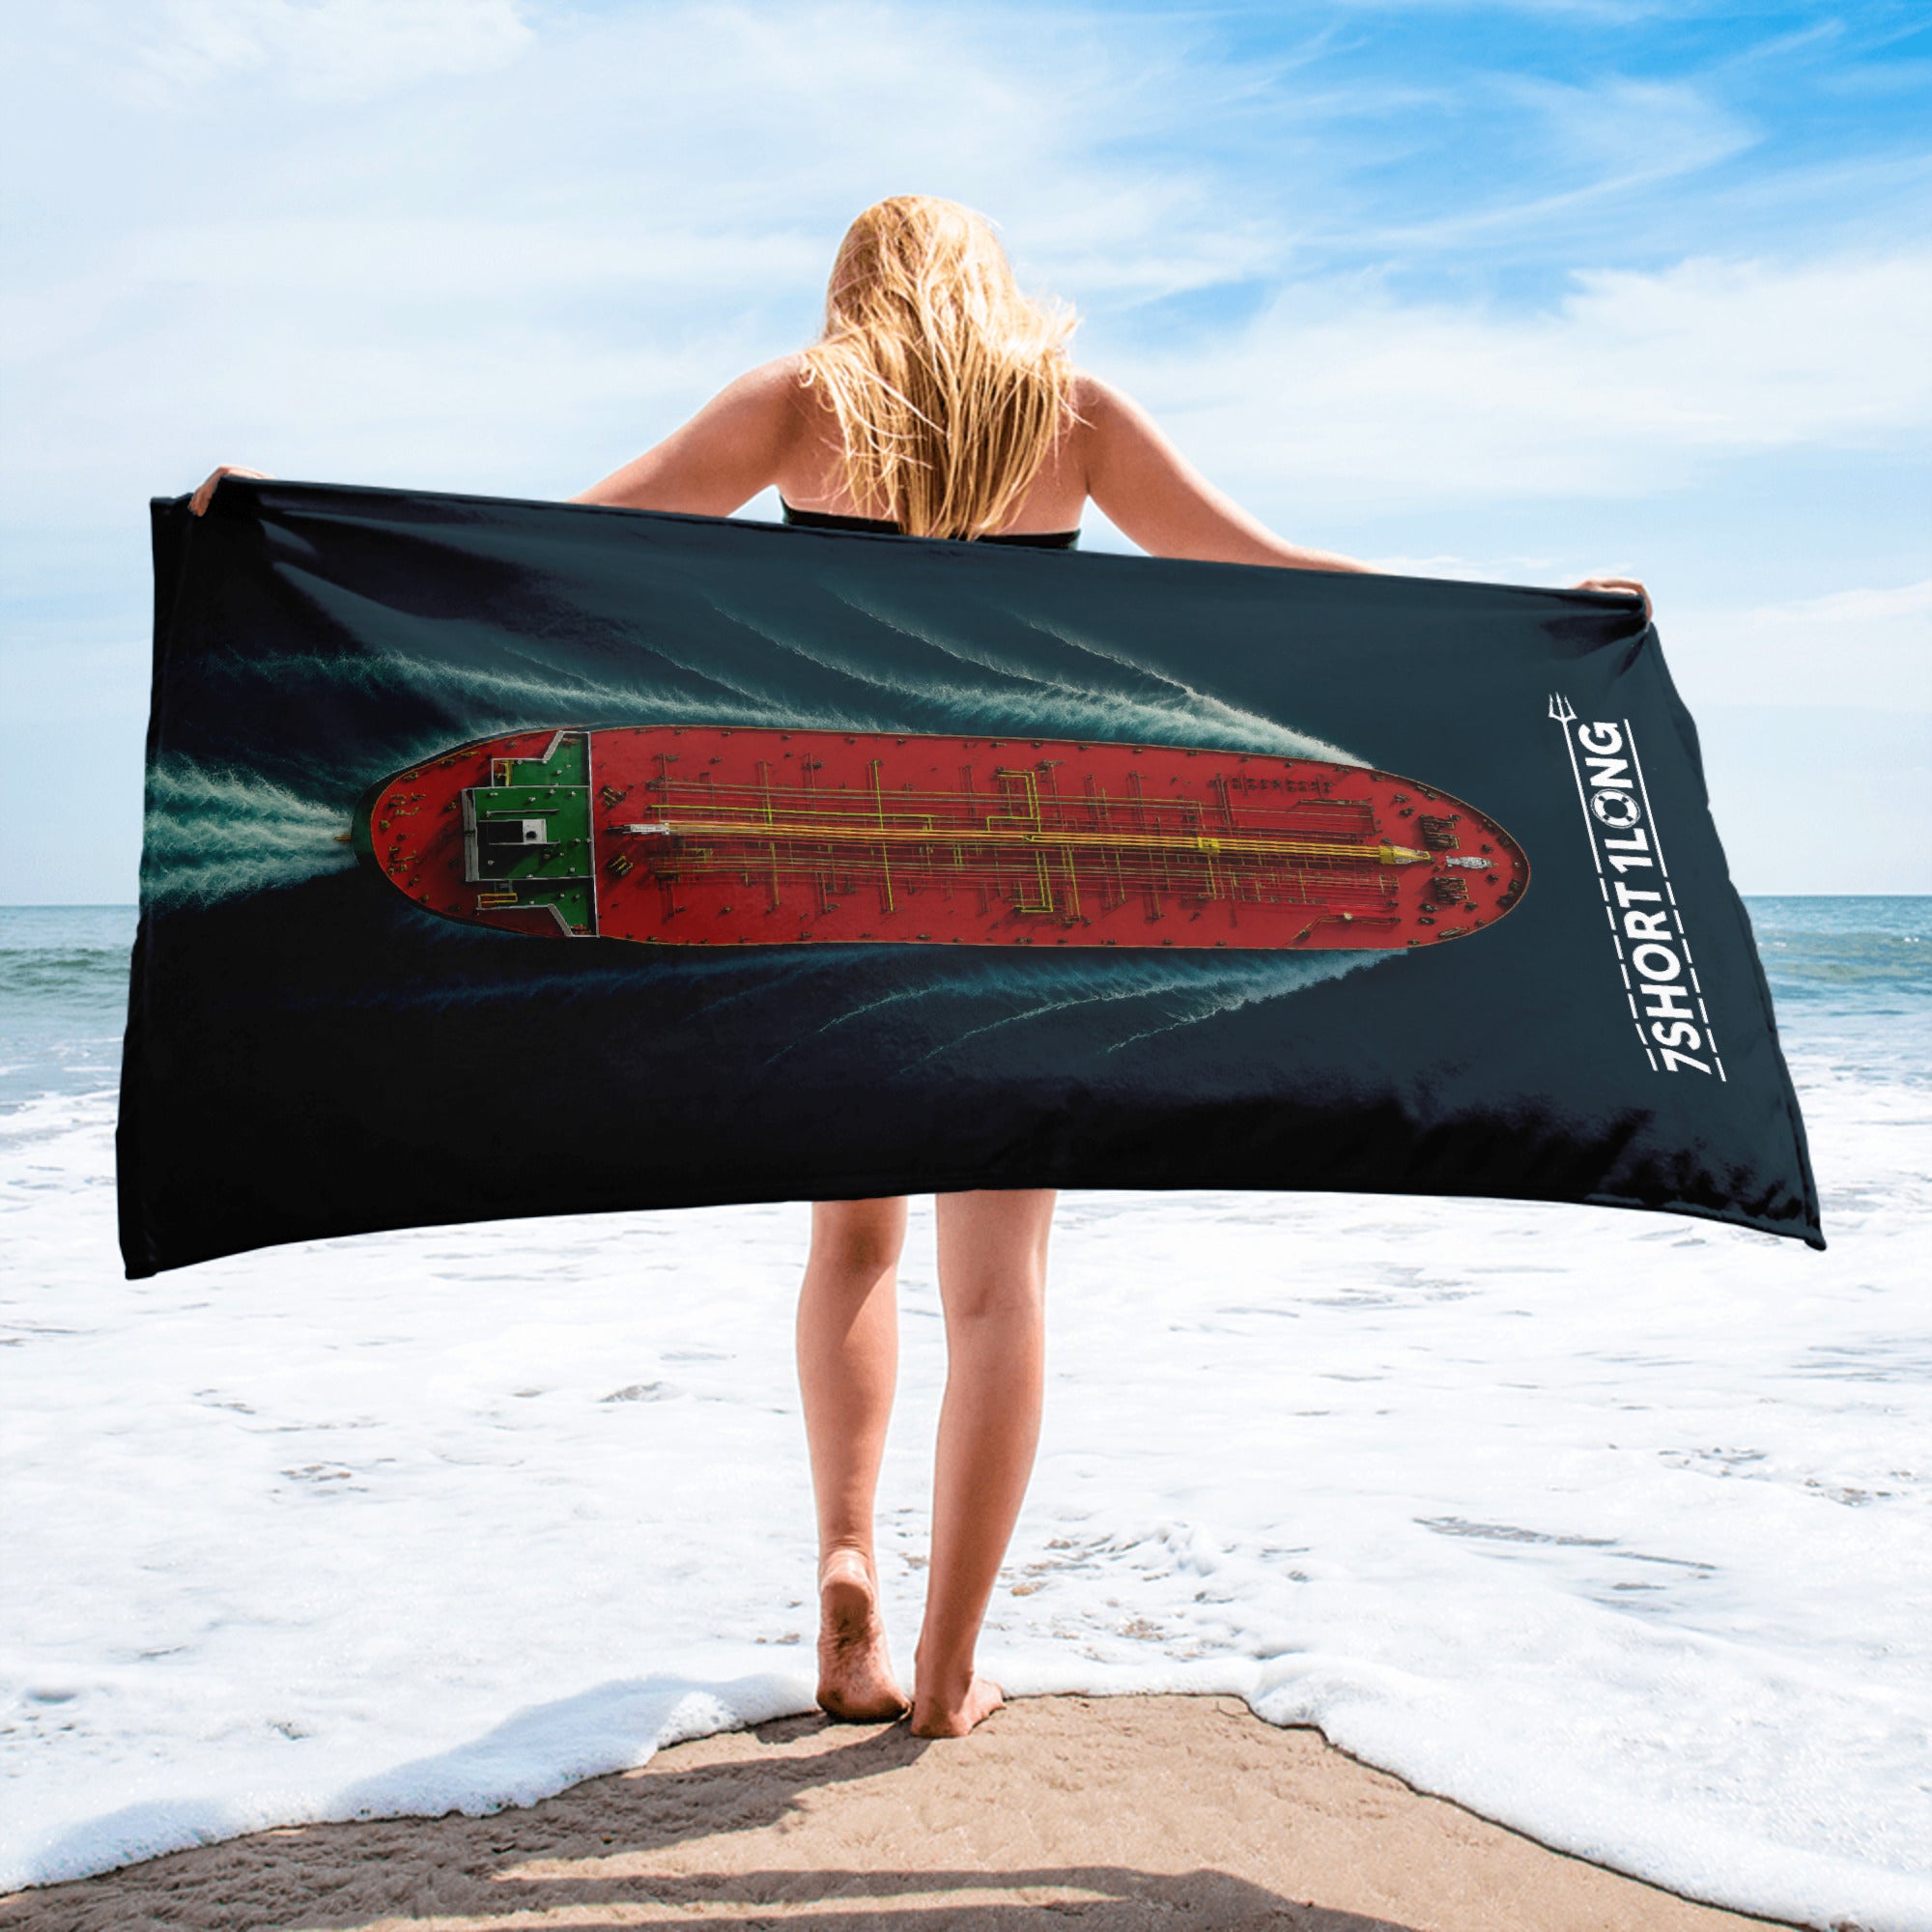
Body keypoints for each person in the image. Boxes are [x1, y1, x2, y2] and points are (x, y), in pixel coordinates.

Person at [191, 193, 1646, 1740]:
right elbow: (1275, 573)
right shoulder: (1071, 414)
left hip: (809, 874)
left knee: (852, 1253)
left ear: (855, 288)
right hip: (1024, 888)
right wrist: (1534, 620)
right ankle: (949, 1675)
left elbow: (553, 547)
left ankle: (842, 1565)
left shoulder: (797, 403)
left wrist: (301, 530)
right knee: (1002, 1296)